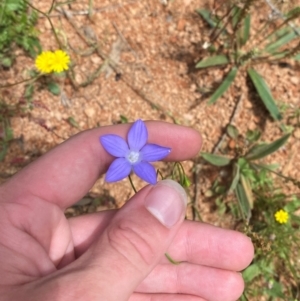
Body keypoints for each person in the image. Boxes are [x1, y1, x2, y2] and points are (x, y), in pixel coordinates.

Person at [0, 121, 253, 301]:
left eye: (135, 153)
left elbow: (156, 151)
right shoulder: (124, 159)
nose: (133, 155)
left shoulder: (144, 158)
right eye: (131, 153)